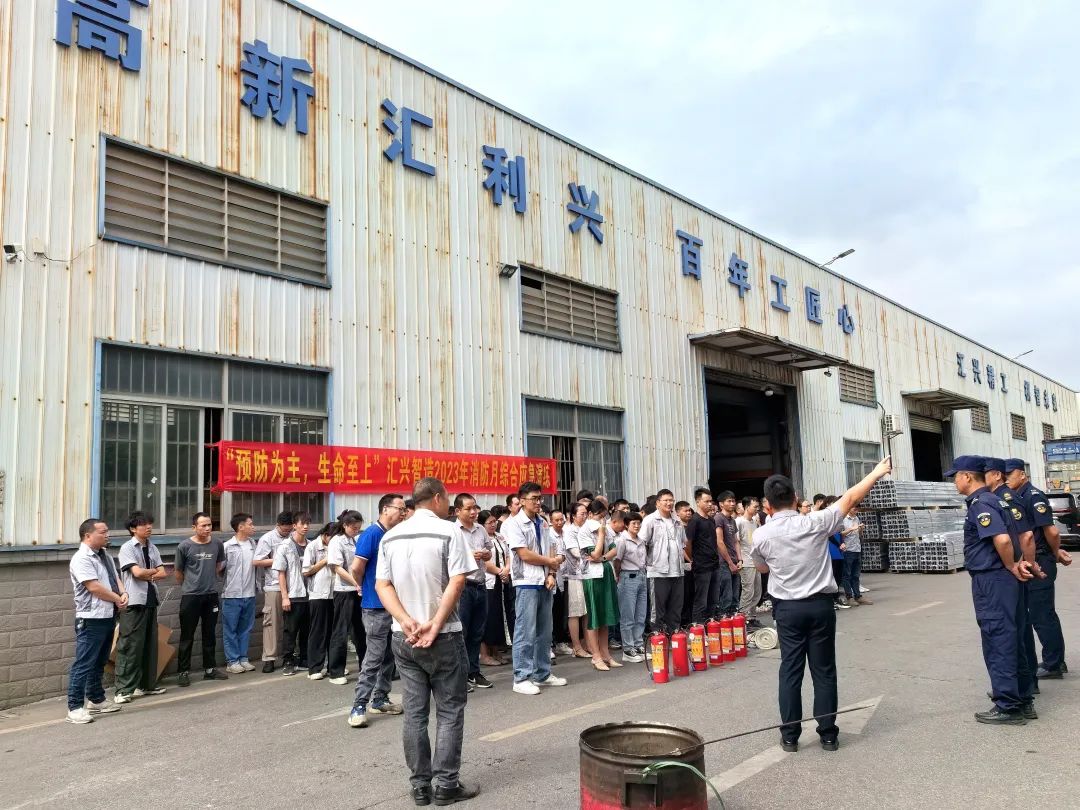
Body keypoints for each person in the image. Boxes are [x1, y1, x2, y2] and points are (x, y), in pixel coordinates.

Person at [751, 456, 893, 751]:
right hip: (820, 606)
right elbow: (850, 496)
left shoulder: (761, 534)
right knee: (824, 670)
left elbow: (762, 568)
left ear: (767, 505)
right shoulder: (816, 522)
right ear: (796, 498)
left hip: (787, 609)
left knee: (790, 671)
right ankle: (828, 734)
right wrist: (876, 472)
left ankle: (790, 736)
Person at [376, 478, 480, 806]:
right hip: (444, 635)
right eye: (447, 498)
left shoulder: (391, 536)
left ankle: (421, 786)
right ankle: (446, 784)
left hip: (404, 636)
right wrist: (435, 623)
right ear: (436, 498)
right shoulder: (449, 531)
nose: (448, 504)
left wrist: (406, 620)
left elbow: (382, 585)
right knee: (449, 711)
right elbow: (458, 580)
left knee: (415, 714)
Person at [947, 455, 1034, 724]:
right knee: (1014, 637)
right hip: (1005, 580)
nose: (954, 482)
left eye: (955, 477)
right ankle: (1023, 699)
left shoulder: (981, 503)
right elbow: (1020, 536)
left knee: (998, 639)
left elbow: (1003, 539)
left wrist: (1009, 565)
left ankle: (1008, 705)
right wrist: (1017, 564)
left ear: (967, 477)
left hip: (993, 579)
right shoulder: (998, 499)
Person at [1006, 458, 1071, 679]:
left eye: (1009, 475)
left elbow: (1051, 531)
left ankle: (1054, 665)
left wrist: (1055, 552)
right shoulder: (1018, 496)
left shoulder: (1033, 496)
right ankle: (1056, 660)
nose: (1006, 479)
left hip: (1040, 560)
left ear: (1022, 474)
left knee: (1042, 614)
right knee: (1040, 613)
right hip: (1035, 558)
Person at [984, 457, 1038, 708]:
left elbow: (1024, 536)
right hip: (1013, 570)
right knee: (1017, 628)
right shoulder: (998, 498)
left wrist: (1025, 565)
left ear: (997, 475)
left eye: (985, 473)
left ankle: (1024, 687)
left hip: (1014, 571)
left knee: (1017, 630)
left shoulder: (1006, 499)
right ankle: (1021, 687)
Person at [349, 495, 407, 726]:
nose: (403, 513)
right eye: (400, 508)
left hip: (393, 605)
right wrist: (363, 587)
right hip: (375, 607)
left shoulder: (393, 534)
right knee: (373, 657)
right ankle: (359, 705)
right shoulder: (372, 534)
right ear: (385, 509)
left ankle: (380, 698)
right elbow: (356, 567)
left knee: (389, 656)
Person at [503, 481, 566, 695]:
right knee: (525, 631)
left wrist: (551, 573)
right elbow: (524, 554)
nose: (539, 502)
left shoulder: (543, 522)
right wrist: (550, 562)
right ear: (522, 501)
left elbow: (551, 549)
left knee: (544, 632)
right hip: (526, 582)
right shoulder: (514, 524)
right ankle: (521, 677)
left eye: (540, 498)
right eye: (534, 499)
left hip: (544, 581)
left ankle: (542, 674)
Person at [67, 518, 126, 723]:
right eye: (103, 532)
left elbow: (115, 578)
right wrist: (117, 598)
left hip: (107, 614)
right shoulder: (81, 558)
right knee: (84, 663)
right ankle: (74, 707)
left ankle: (96, 699)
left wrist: (123, 593)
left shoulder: (105, 555)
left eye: (107, 531)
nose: (107, 535)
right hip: (90, 618)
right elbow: (94, 587)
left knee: (99, 661)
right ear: (88, 535)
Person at [114, 511, 167, 703]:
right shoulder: (127, 548)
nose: (149, 527)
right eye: (144, 524)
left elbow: (163, 573)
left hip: (151, 600)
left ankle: (145, 685)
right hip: (134, 602)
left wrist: (148, 573)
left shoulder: (152, 547)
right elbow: (136, 573)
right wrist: (152, 572)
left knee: (149, 645)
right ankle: (123, 690)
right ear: (133, 528)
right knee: (130, 646)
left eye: (150, 523)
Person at [174, 512, 227, 686]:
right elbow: (178, 572)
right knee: (187, 635)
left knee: (209, 633)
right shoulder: (184, 546)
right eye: (203, 525)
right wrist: (190, 586)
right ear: (194, 527)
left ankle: (210, 670)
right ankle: (183, 672)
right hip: (191, 596)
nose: (207, 528)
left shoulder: (217, 544)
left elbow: (218, 565)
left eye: (209, 525)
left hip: (211, 595)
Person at [451, 493, 493, 691]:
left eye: (475, 507)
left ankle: (473, 671)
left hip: (480, 584)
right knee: (461, 632)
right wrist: (469, 555)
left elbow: (489, 552)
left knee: (477, 632)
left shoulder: (481, 529)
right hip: (463, 586)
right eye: (468, 508)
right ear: (457, 511)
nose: (473, 512)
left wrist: (485, 554)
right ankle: (459, 675)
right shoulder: (452, 531)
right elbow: (449, 557)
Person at [580, 500, 622, 671]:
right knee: (594, 617)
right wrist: (601, 534)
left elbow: (613, 550)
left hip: (606, 572)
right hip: (592, 576)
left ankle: (606, 654)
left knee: (606, 616)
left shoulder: (604, 529)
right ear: (590, 514)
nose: (601, 520)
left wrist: (604, 558)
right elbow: (595, 553)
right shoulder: (585, 531)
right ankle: (596, 656)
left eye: (604, 517)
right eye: (599, 516)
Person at [641, 489, 688, 636]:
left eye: (671, 500)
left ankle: (674, 633)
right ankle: (657, 634)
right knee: (658, 607)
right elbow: (642, 543)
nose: (669, 503)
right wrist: (648, 564)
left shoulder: (677, 521)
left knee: (676, 605)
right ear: (658, 503)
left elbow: (683, 543)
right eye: (666, 500)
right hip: (658, 571)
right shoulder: (650, 520)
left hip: (677, 571)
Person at [328, 510, 365, 684]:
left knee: (360, 631)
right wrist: (355, 582)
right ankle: (336, 672)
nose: (356, 531)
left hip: (357, 590)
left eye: (358, 528)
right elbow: (337, 568)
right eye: (353, 528)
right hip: (344, 591)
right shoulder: (337, 541)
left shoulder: (355, 540)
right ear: (345, 525)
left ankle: (366, 667)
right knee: (340, 631)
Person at [254, 511, 293, 673]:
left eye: (290, 529)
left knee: (291, 624)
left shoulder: (294, 537)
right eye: (284, 530)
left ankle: (289, 656)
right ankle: (269, 658)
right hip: (274, 586)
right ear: (278, 525)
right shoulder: (267, 538)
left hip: (293, 586)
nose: (287, 532)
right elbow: (257, 561)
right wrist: (279, 559)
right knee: (271, 623)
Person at [221, 512, 259, 675]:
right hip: (231, 594)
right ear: (240, 527)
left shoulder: (253, 544)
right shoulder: (227, 546)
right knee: (230, 629)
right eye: (250, 524)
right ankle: (232, 661)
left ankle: (243, 658)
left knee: (246, 629)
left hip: (249, 593)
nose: (253, 527)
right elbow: (220, 569)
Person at [274, 512, 311, 676]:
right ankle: (288, 661)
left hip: (310, 594)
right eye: (302, 524)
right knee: (290, 630)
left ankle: (304, 659)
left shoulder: (311, 545)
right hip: (294, 594)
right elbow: (281, 573)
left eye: (308, 523)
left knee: (307, 629)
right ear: (294, 525)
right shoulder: (285, 546)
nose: (305, 527)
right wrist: (285, 596)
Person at [480, 510, 515, 666]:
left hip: (502, 581)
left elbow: (507, 555)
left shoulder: (500, 536)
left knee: (499, 616)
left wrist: (506, 569)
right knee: (488, 617)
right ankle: (484, 654)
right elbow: (484, 561)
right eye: (489, 522)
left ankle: (496, 651)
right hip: (489, 581)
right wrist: (500, 572)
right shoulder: (481, 538)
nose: (493, 524)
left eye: (494, 521)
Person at [303, 520, 336, 679]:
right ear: (325, 535)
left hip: (335, 593)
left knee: (334, 632)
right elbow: (306, 571)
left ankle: (333, 667)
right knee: (318, 632)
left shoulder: (336, 545)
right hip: (318, 594)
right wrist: (325, 560)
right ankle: (315, 668)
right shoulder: (312, 547)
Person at [615, 512, 647, 663]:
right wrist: (617, 576)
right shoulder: (622, 540)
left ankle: (638, 644)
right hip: (628, 577)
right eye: (633, 523)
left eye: (639, 523)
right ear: (626, 525)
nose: (637, 526)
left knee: (640, 614)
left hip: (641, 575)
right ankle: (628, 649)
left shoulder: (641, 540)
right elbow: (617, 560)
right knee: (628, 615)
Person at [561, 503, 591, 659]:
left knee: (587, 611)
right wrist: (593, 553)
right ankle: (577, 646)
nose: (585, 516)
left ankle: (588, 644)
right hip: (574, 575)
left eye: (586, 513)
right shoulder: (569, 531)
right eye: (582, 514)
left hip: (588, 574)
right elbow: (576, 552)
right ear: (573, 516)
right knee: (575, 612)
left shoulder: (587, 529)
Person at [687, 488, 722, 624]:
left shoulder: (711, 520)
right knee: (701, 600)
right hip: (702, 566)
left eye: (710, 501)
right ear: (698, 502)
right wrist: (692, 559)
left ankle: (710, 625)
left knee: (713, 599)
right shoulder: (694, 520)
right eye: (706, 501)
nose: (709, 504)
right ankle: (698, 627)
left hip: (714, 564)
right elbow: (688, 543)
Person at [549, 510, 574, 657]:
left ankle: (560, 642)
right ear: (551, 521)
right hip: (553, 576)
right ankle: (551, 644)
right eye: (556, 520)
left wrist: (559, 558)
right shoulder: (549, 535)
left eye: (561, 520)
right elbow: (556, 557)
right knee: (551, 613)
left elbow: (562, 556)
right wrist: (557, 558)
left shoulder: (567, 533)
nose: (559, 523)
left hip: (564, 577)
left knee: (560, 612)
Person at [714, 492, 742, 615]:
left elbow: (736, 541)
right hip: (724, 563)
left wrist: (740, 560)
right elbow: (719, 542)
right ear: (721, 504)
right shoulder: (718, 518)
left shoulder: (732, 520)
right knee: (726, 597)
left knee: (735, 597)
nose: (732, 503)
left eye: (733, 501)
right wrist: (730, 563)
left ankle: (735, 621)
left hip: (734, 562)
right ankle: (724, 620)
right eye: (729, 501)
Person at [737, 498, 763, 624]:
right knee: (748, 591)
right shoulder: (739, 522)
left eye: (758, 506)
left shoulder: (754, 521)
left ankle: (751, 617)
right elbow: (736, 542)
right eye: (755, 506)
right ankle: (743, 618)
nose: (757, 509)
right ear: (747, 507)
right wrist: (739, 559)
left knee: (757, 591)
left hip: (755, 561)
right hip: (746, 561)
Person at [840, 507, 869, 606]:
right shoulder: (843, 519)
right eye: (854, 508)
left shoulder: (856, 518)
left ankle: (858, 596)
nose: (856, 510)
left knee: (856, 575)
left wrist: (861, 529)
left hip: (857, 548)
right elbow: (840, 534)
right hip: (848, 549)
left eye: (857, 508)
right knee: (847, 575)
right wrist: (851, 529)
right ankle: (849, 596)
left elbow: (859, 534)